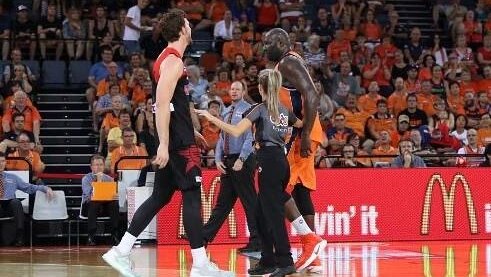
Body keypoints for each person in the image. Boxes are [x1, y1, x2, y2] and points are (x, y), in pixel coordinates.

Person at [102, 9, 233, 277]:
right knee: (193, 198)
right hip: (177, 144)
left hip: (178, 138)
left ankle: (121, 250)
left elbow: (173, 104)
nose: (190, 26)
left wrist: (188, 129)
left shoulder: (169, 60)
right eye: (187, 23)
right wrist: (164, 143)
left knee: (160, 197)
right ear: (182, 30)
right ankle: (200, 265)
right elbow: (160, 104)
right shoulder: (172, 61)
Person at [196, 69, 302, 277]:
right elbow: (300, 124)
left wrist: (211, 117)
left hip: (269, 163)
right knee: (260, 214)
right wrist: (288, 144)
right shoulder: (283, 110)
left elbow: (236, 131)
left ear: (262, 89)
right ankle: (267, 260)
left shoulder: (260, 109)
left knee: (272, 214)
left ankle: (285, 260)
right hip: (280, 161)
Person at [263, 27, 328, 272]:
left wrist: (305, 135)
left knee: (275, 187)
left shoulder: (288, 61)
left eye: (268, 42)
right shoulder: (285, 63)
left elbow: (312, 95)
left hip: (303, 134)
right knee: (300, 192)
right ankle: (314, 255)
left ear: (280, 42)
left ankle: (309, 243)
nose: (264, 47)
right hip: (303, 132)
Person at [202, 81, 260, 253]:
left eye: (237, 89)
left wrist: (242, 159)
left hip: (242, 160)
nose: (234, 92)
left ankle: (258, 241)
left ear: (243, 92)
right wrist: (218, 158)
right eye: (232, 89)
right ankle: (203, 237)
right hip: (228, 161)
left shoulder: (249, 110)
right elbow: (222, 137)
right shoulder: (226, 111)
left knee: (249, 202)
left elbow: (250, 138)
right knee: (223, 204)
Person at [0, 151, 54, 246]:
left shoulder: (12, 177)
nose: (1, 164)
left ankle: (20, 235)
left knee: (16, 202)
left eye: (3, 161)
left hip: (8, 206)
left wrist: (45, 188)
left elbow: (29, 187)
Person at [81, 155, 120, 246]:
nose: (99, 167)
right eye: (96, 165)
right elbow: (90, 196)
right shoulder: (86, 179)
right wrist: (98, 181)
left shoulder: (109, 179)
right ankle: (91, 236)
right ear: (91, 167)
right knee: (94, 202)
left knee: (114, 203)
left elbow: (112, 194)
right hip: (89, 206)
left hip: (105, 205)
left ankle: (114, 235)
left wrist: (115, 195)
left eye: (101, 165)